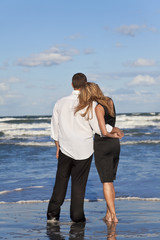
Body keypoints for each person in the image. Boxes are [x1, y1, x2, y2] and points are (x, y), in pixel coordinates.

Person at [47, 73, 121, 223]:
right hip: (84, 150)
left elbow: (55, 129)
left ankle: (53, 215)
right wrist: (114, 129)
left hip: (65, 149)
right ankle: (77, 216)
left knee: (60, 181)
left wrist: (57, 147)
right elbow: (98, 129)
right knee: (79, 184)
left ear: (71, 84)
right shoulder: (90, 104)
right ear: (86, 84)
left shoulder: (60, 102)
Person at [75, 82, 124, 223]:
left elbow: (104, 131)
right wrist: (116, 131)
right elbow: (112, 124)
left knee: (106, 181)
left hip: (103, 144)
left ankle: (113, 216)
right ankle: (108, 214)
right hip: (115, 145)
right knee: (111, 180)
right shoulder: (110, 101)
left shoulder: (97, 108)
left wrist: (112, 132)